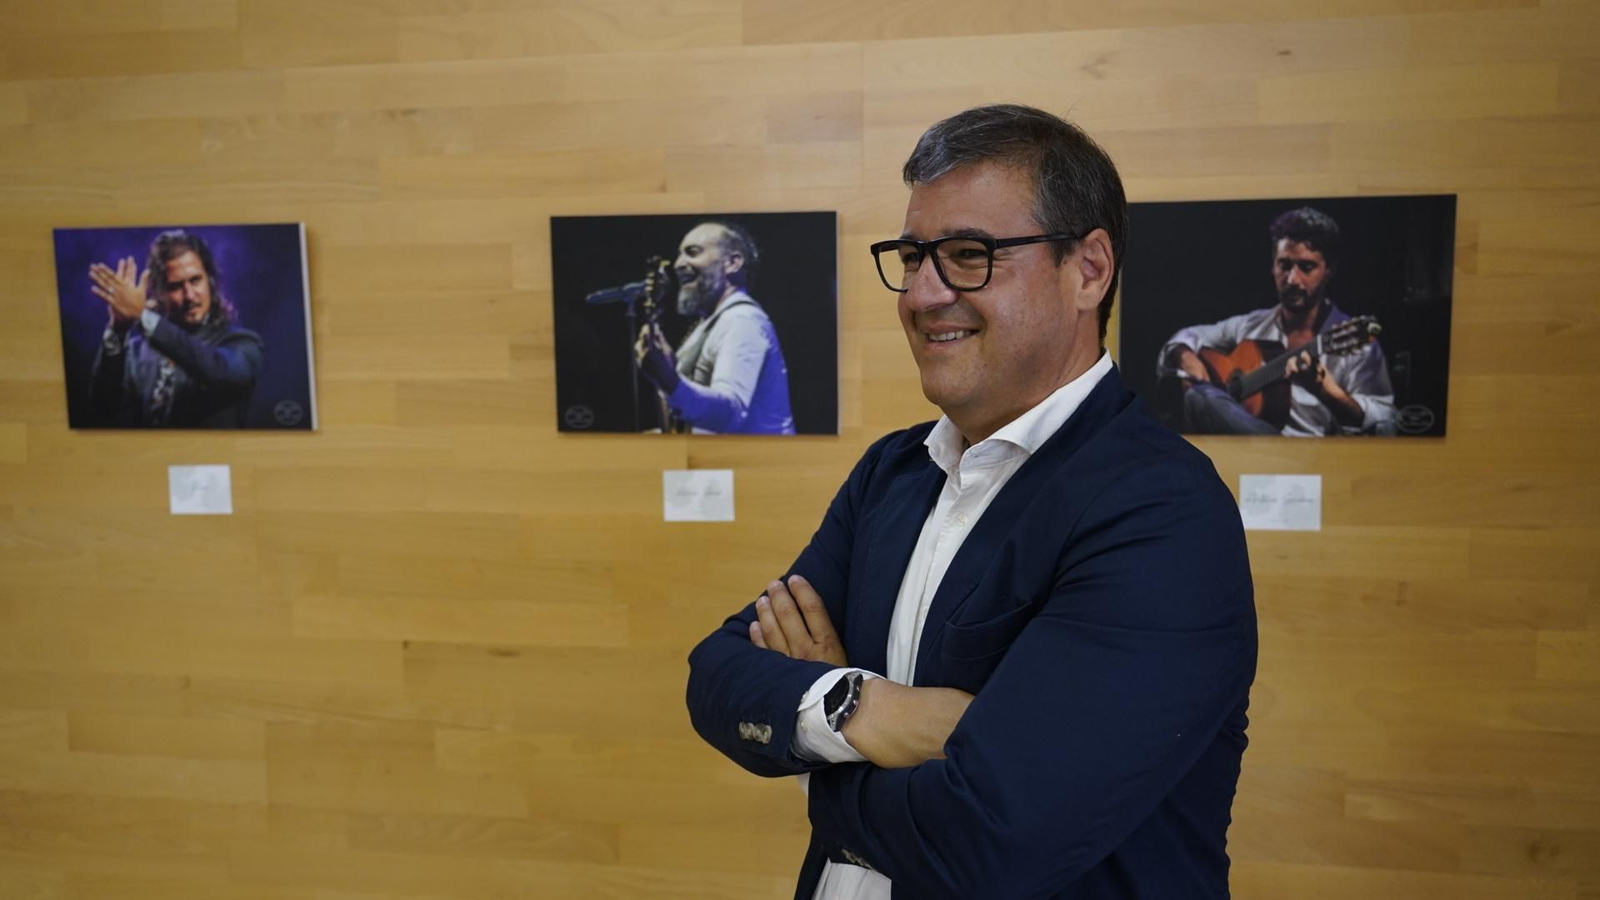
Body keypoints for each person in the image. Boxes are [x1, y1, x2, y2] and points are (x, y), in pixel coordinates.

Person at [685, 104, 1257, 899]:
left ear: (1088, 270)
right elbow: (715, 676)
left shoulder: (1161, 512)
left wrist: (816, 760)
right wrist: (864, 709)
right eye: (913, 255)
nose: (922, 294)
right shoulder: (893, 472)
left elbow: (992, 839)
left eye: (967, 255)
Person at [1159, 207, 1396, 436]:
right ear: (1272, 266)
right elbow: (1185, 337)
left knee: (1198, 398)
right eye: (1285, 265)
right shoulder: (1250, 325)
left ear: (1329, 270)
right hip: (1241, 455)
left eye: (1307, 267)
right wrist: (1185, 356)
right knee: (1199, 397)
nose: (1293, 279)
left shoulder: (1355, 341)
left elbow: (1387, 425)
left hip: (1313, 460)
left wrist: (1328, 393)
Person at [87, 229, 264, 428]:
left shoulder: (241, 343)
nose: (189, 295)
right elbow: (101, 412)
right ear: (158, 291)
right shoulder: (136, 353)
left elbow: (220, 373)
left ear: (211, 281)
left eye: (195, 280)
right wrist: (117, 331)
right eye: (175, 286)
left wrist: (142, 317)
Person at [634, 221, 795, 434]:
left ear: (732, 262)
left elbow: (730, 414)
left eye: (693, 252)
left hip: (753, 465)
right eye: (680, 254)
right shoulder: (710, 325)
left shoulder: (742, 320)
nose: (678, 263)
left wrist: (669, 380)